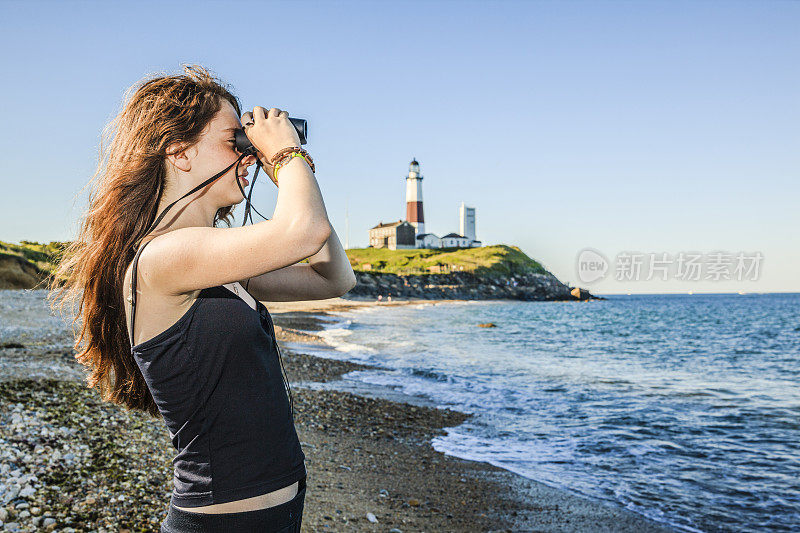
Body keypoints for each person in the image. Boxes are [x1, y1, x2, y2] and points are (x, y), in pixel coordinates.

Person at [48, 65, 356, 532]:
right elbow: (303, 231)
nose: (249, 156)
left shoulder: (214, 261)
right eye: (236, 141)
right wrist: (288, 155)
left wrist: (288, 168)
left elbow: (333, 277)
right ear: (179, 151)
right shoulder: (162, 256)